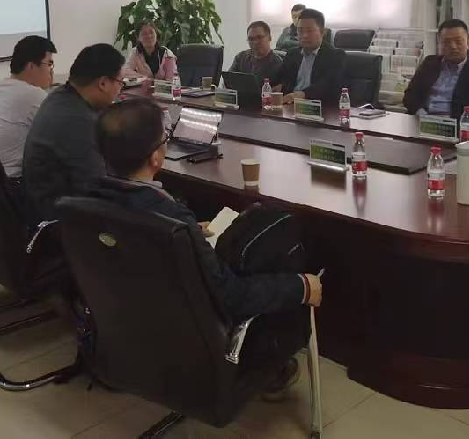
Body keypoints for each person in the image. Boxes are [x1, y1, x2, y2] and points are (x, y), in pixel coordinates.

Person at [92, 97, 321, 377]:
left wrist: (190, 233)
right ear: (155, 158)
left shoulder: (91, 199)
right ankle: (272, 369)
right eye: (164, 138)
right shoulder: (171, 219)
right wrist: (300, 286)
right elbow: (230, 295)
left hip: (133, 324)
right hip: (195, 338)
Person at [22, 43, 125, 220]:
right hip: (61, 219)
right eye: (120, 82)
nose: (120, 89)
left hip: (41, 202)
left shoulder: (60, 96)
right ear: (102, 83)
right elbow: (99, 189)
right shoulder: (78, 121)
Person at [0, 35, 57, 180]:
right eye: (49, 64)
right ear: (31, 66)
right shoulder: (33, 95)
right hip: (14, 183)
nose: (51, 71)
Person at [402, 19, 469, 117]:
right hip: (422, 120)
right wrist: (422, 114)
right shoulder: (429, 63)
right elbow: (409, 96)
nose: (453, 46)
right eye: (446, 42)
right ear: (439, 43)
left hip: (457, 123)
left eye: (458, 41)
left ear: (468, 42)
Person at [272, 8, 347, 106]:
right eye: (300, 30)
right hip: (290, 106)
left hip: (319, 108)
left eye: (310, 31)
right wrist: (278, 86)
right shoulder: (292, 54)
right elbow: (280, 79)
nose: (304, 35)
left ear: (323, 32)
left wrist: (302, 94)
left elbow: (328, 85)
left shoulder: (335, 56)